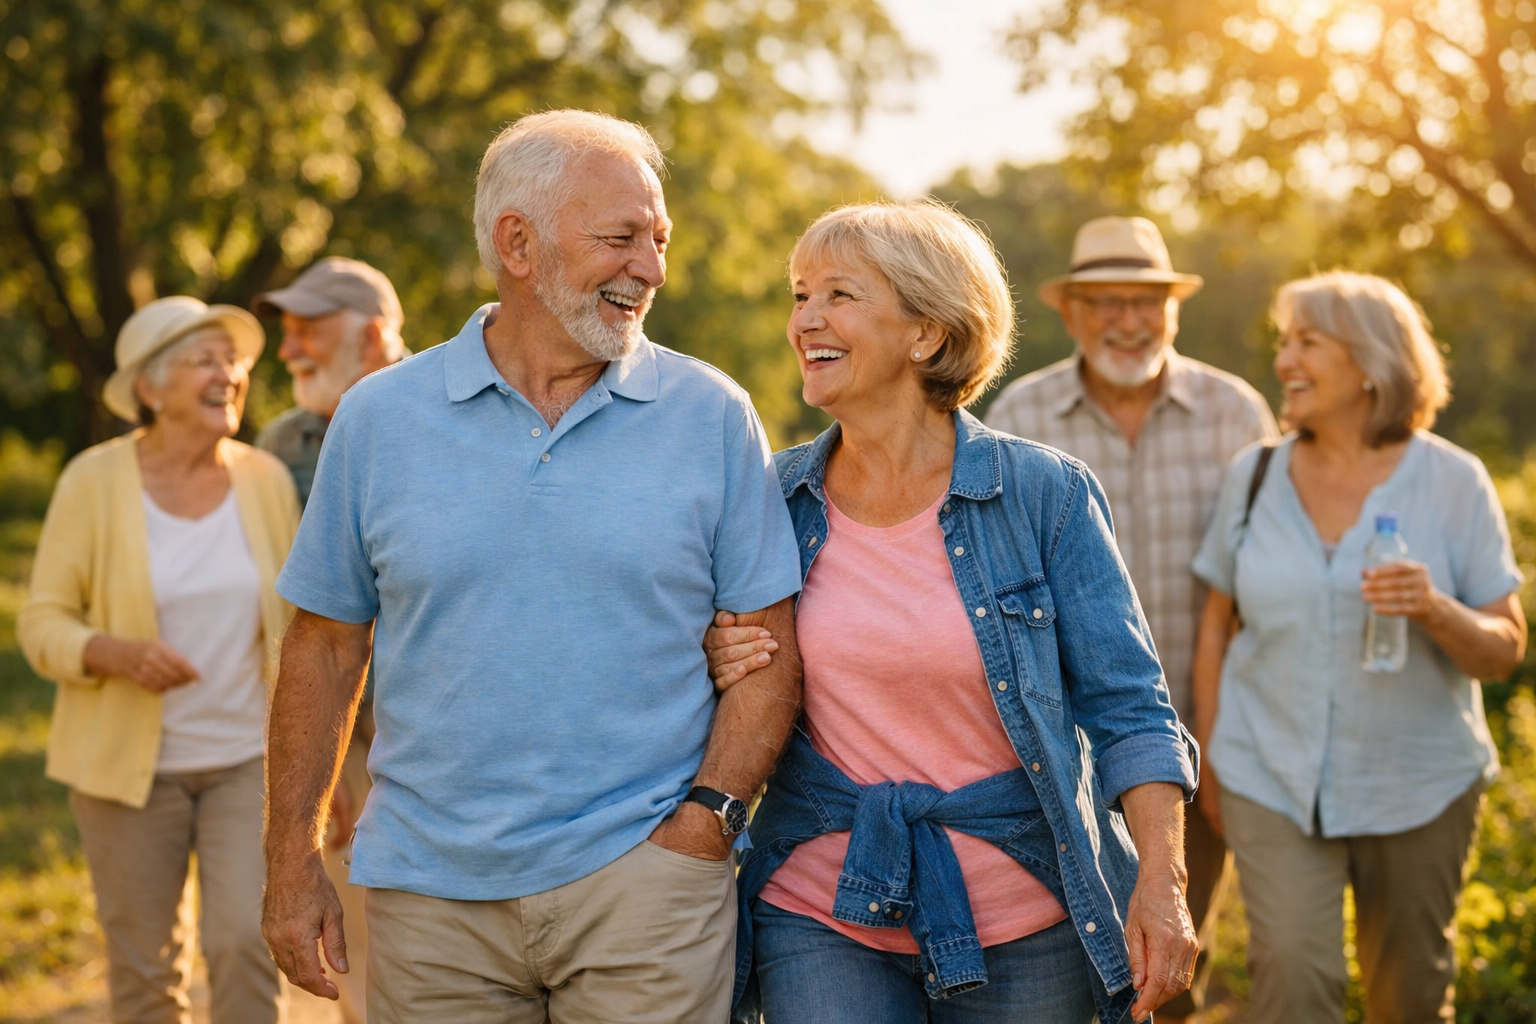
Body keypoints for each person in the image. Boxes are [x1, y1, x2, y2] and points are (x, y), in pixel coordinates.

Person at [260, 109, 804, 1024]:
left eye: (659, 239)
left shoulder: (711, 414)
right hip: (431, 898)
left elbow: (771, 647)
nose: (653, 268)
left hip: (648, 886)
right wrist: (290, 860)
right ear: (518, 243)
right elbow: (322, 648)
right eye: (621, 237)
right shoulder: (378, 419)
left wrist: (706, 824)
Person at [704, 201, 1200, 1024]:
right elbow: (715, 665)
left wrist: (1162, 882)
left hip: (1025, 913)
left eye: (838, 295)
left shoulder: (1045, 496)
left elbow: (1129, 709)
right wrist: (721, 658)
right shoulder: (772, 498)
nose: (805, 321)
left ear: (926, 333)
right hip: (820, 911)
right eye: (799, 295)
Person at [1190, 271, 1527, 1023]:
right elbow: (1218, 622)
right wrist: (1210, 758)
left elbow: (1503, 650)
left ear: (1372, 363)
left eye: (1307, 342)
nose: (1283, 362)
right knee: (1294, 979)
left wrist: (1436, 610)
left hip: (1419, 785)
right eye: (1284, 343)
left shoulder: (1454, 482)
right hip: (1267, 774)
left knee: (1408, 993)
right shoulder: (1256, 475)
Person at [983, 215, 1277, 1023]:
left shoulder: (1235, 414)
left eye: (1145, 301)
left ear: (1172, 310)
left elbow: (1267, 586)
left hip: (1204, 742)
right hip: (1062, 753)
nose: (1127, 320)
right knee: (1072, 967)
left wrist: (1229, 742)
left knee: (1175, 961)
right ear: (1072, 314)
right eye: (1105, 302)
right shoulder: (1022, 414)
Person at [18, 297, 299, 1024]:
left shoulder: (264, 480)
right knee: (144, 971)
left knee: (244, 941)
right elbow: (41, 621)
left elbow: (299, 626)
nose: (229, 373)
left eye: (232, 360)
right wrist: (111, 651)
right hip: (127, 774)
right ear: (150, 388)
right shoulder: (93, 481)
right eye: (204, 359)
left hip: (245, 760)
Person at [250, 255, 407, 1024]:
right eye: (286, 332)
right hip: (339, 736)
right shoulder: (281, 445)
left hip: (429, 739)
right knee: (352, 962)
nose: (288, 350)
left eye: (309, 331)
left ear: (375, 336)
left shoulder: (441, 419)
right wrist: (327, 763)